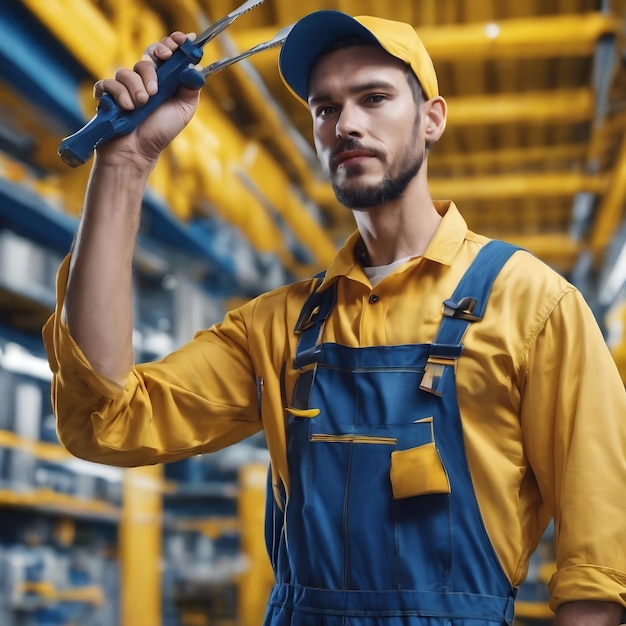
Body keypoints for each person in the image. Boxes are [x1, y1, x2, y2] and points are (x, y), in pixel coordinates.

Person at [43, 10, 626, 626]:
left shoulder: (535, 305)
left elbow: (602, 559)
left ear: (432, 119)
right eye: (325, 109)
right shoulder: (278, 327)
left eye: (374, 98)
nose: (347, 123)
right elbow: (107, 421)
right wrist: (124, 164)